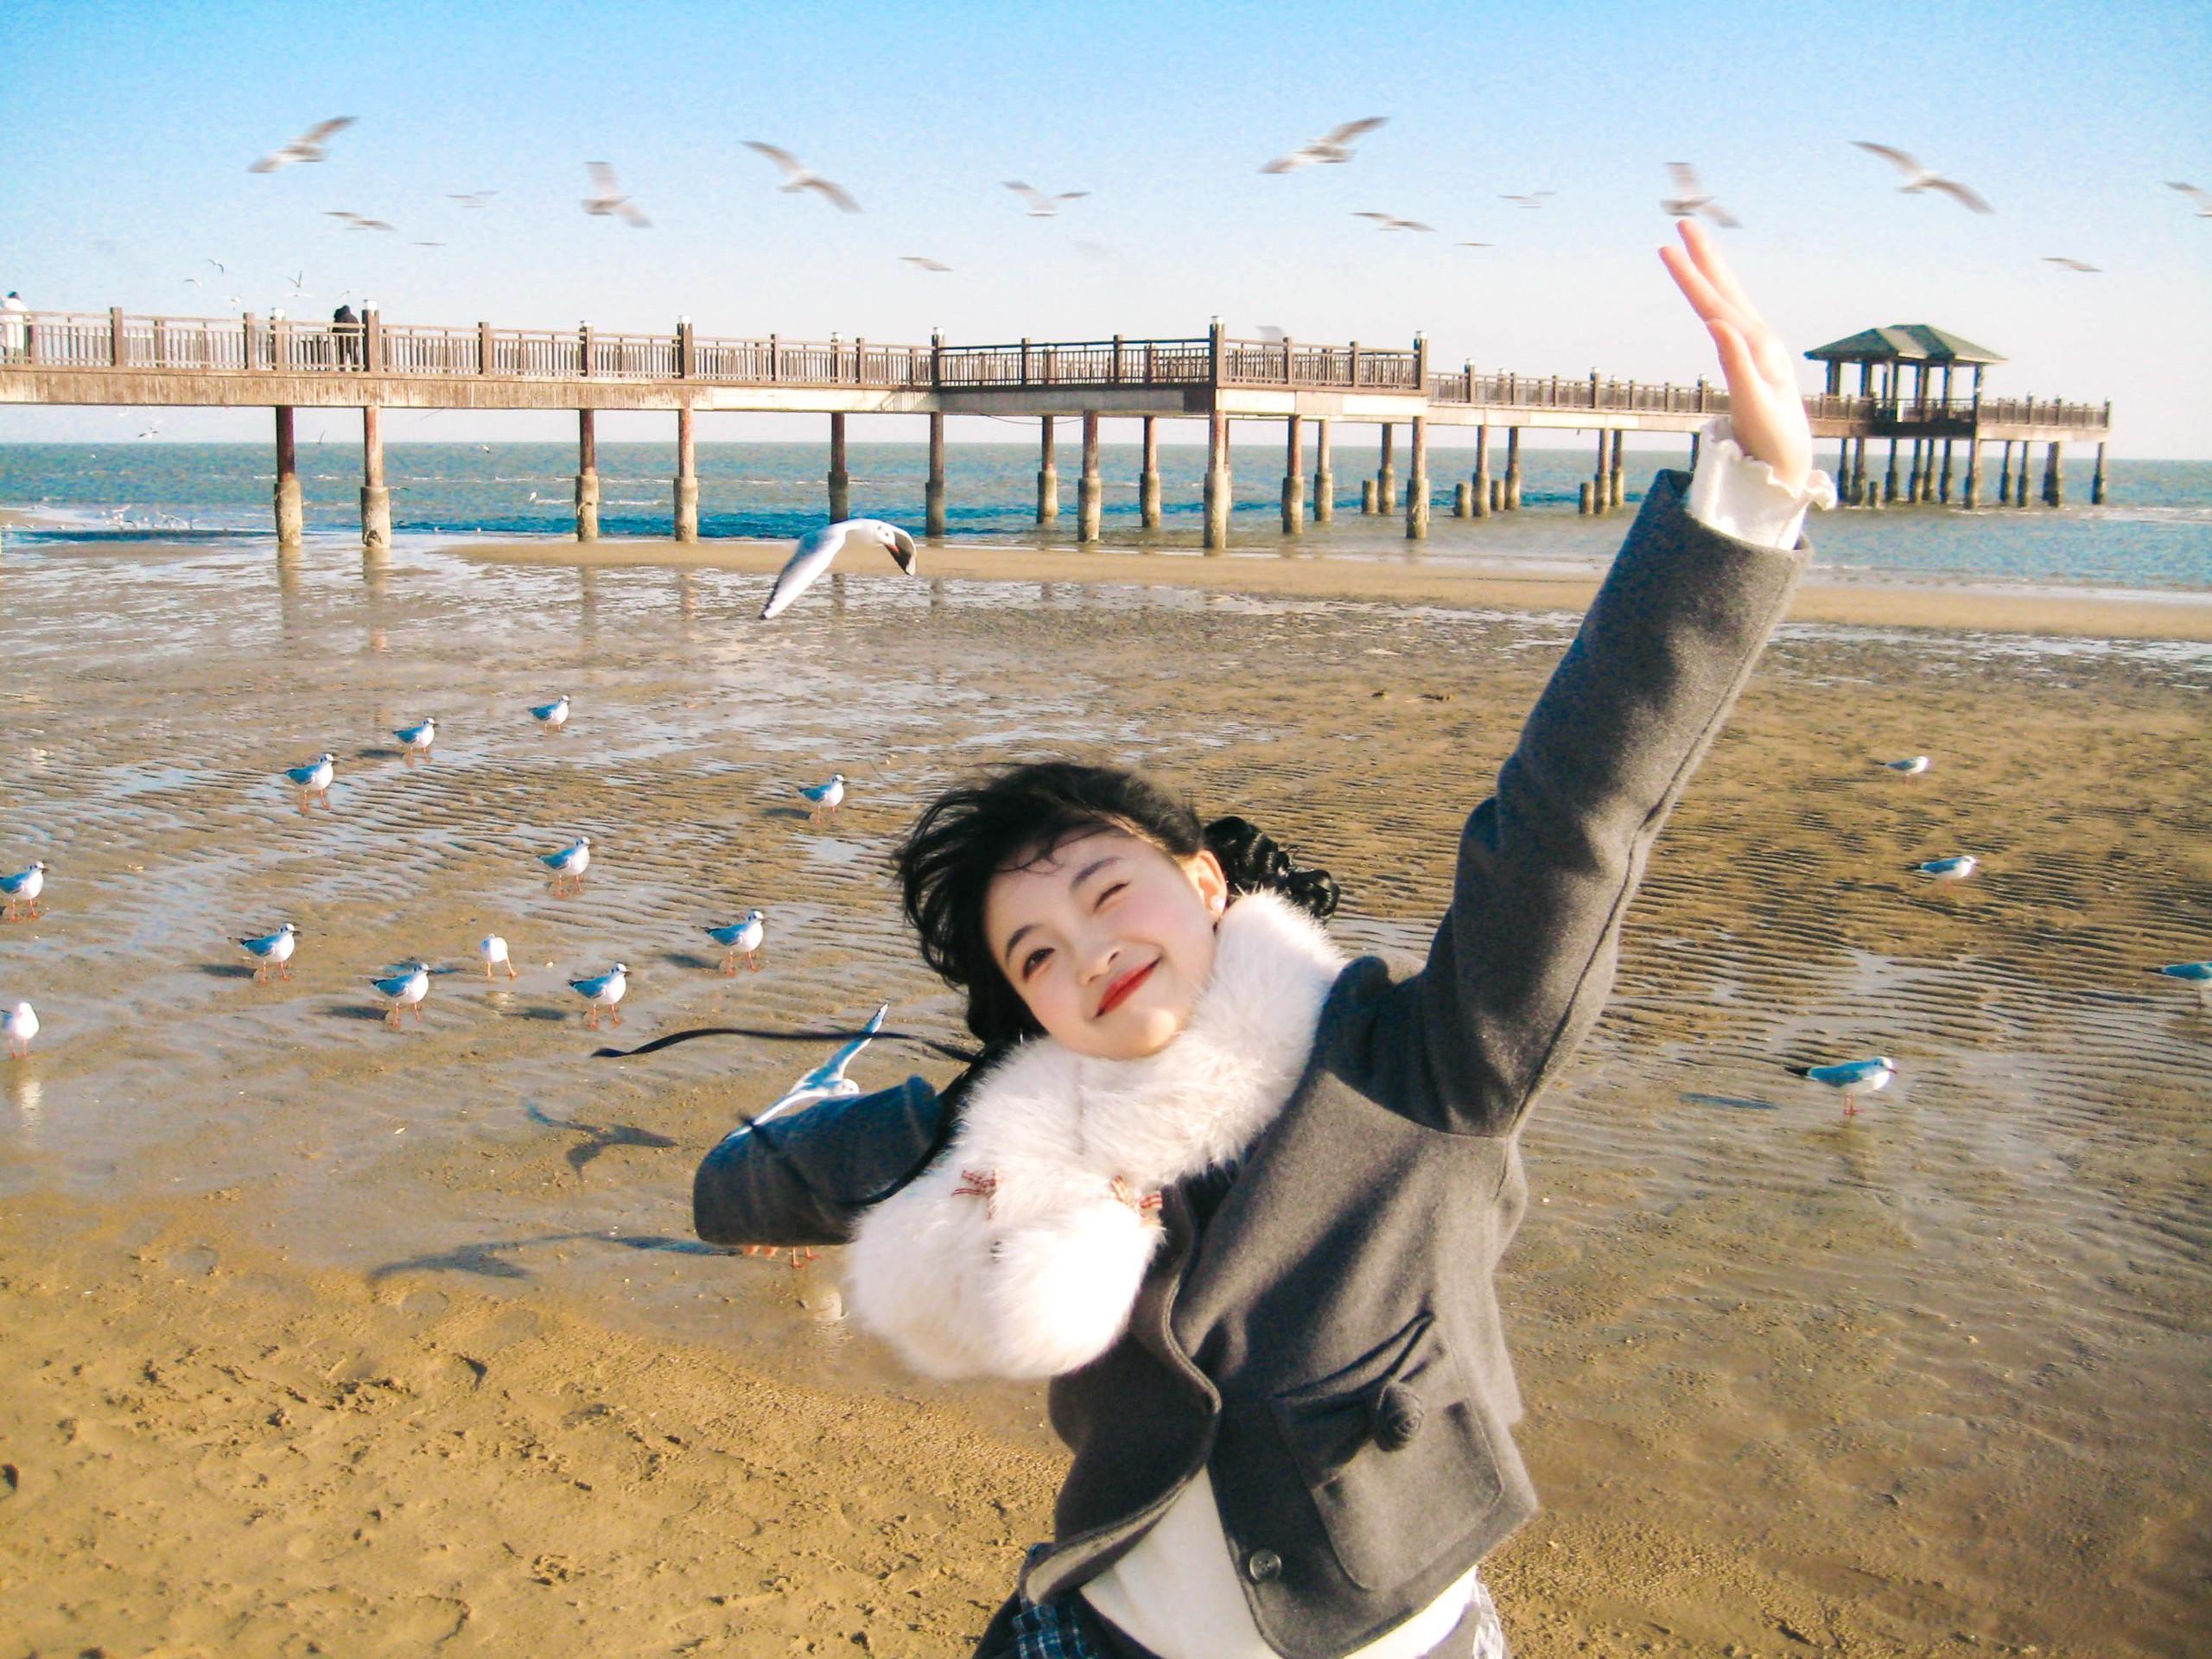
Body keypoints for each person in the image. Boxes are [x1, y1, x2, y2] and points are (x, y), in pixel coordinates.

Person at [692, 220, 1833, 1659]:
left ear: (1207, 880)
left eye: (1106, 895)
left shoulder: (1422, 1069)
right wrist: (730, 1184)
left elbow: (1570, 820)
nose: (1083, 953)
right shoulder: (1019, 1133)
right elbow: (782, 1175)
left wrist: (1737, 512)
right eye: (1034, 955)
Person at [332, 302, 361, 370]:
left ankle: (342, 368)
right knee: (353, 354)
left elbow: (336, 328)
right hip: (354, 340)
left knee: (343, 354)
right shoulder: (354, 318)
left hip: (343, 340)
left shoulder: (341, 317)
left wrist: (335, 333)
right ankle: (355, 368)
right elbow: (358, 328)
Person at [2, 290, 27, 362]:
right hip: (18, 332)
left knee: (8, 356)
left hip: (8, 333)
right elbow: (29, 316)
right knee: (19, 355)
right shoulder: (21, 306)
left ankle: (8, 369)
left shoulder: (5, 305)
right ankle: (21, 370)